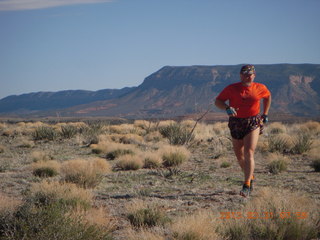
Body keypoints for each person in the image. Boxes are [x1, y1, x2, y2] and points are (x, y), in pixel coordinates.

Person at [215, 64, 271, 197]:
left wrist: (265, 114)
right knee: (239, 154)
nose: (247, 76)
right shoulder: (232, 88)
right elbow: (218, 101)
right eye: (245, 73)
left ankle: (246, 184)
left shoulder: (260, 88)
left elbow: (268, 97)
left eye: (250, 74)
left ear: (254, 75)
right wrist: (227, 108)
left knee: (249, 152)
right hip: (236, 122)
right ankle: (250, 176)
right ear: (240, 75)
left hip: (253, 121)